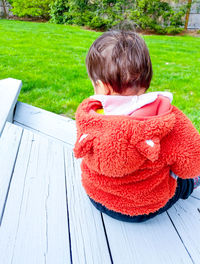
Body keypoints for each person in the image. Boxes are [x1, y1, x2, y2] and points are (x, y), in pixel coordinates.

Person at [73, 30, 200, 222]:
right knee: (184, 181)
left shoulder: (88, 116)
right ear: (147, 78)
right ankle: (190, 187)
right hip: (147, 207)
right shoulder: (167, 119)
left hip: (97, 197)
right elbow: (192, 165)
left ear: (102, 87)